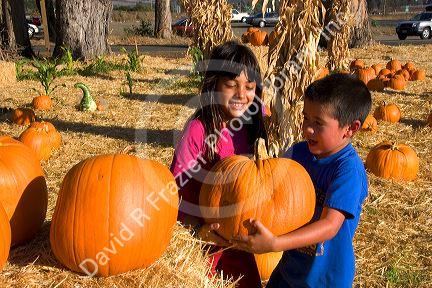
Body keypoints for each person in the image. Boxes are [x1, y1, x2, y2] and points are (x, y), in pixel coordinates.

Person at [232, 73, 372, 287]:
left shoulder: (348, 170)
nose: (307, 128)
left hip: (324, 279)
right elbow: (266, 185)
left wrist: (275, 243)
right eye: (306, 117)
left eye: (318, 123)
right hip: (289, 269)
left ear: (350, 129)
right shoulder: (298, 153)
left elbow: (329, 226)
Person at [170, 41, 268, 287]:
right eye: (231, 85)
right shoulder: (198, 131)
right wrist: (197, 231)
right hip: (206, 241)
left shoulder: (253, 126)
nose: (241, 94)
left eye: (249, 87)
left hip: (240, 242)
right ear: (214, 85)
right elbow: (175, 192)